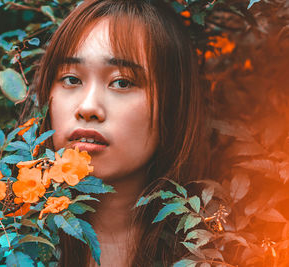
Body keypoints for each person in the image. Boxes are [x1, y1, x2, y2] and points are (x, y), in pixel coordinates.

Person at [32, 0, 208, 266]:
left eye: (122, 82)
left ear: (174, 103)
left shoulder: (223, 252)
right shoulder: (2, 240)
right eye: (71, 79)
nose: (88, 107)